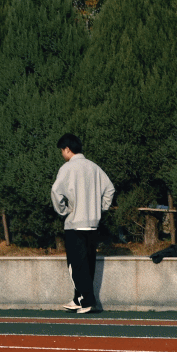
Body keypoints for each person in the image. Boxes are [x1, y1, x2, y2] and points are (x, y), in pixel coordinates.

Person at [51, 133, 113, 314]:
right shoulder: (94, 167)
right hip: (92, 223)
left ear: (67, 149)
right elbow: (110, 189)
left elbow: (55, 191)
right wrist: (100, 208)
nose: (62, 154)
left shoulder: (67, 168)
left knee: (76, 265)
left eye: (62, 150)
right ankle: (77, 299)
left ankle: (87, 300)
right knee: (88, 263)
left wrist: (63, 211)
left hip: (75, 223)